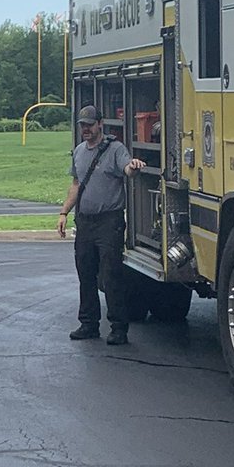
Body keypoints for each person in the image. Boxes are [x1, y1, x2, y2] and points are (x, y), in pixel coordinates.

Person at [57, 105, 145, 346]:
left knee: (111, 274)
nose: (85, 129)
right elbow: (76, 184)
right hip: (85, 221)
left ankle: (118, 327)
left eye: (89, 124)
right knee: (85, 273)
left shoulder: (115, 149)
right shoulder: (78, 152)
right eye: (82, 125)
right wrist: (64, 212)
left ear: (100, 125)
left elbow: (127, 168)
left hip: (109, 221)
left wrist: (134, 167)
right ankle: (88, 324)